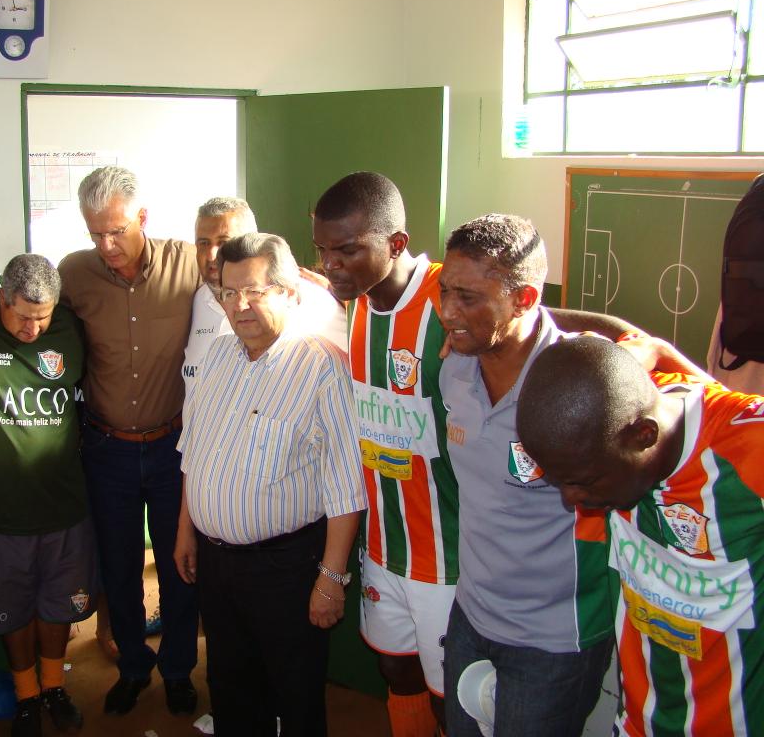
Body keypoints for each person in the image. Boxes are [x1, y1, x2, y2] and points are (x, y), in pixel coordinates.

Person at [517, 335, 764, 737]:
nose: (571, 500)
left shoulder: (747, 449)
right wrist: (646, 347)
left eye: (584, 482)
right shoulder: (613, 417)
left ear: (644, 437)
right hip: (636, 722)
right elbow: (629, 347)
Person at [174, 232, 365, 737]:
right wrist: (185, 531)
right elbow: (194, 452)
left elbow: (347, 488)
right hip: (216, 566)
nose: (240, 306)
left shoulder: (321, 368)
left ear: (289, 292)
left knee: (297, 696)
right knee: (231, 691)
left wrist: (331, 578)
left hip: (286, 571)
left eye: (255, 291)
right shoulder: (216, 357)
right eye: (229, 293)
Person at [436, 215, 614, 737]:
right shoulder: (456, 368)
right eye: (446, 291)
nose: (448, 312)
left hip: (553, 639)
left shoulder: (580, 385)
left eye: (468, 297)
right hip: (471, 618)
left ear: (526, 297)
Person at [311, 172, 458, 736]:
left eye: (347, 250)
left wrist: (655, 349)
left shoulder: (450, 298)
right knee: (395, 670)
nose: (331, 264)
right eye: (324, 250)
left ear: (396, 244)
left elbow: (543, 324)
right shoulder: (351, 304)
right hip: (384, 548)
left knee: (454, 695)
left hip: (451, 560)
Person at [58, 166, 200, 716]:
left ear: (143, 217)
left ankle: (181, 669)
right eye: (95, 233)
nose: (106, 244)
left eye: (116, 230)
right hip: (106, 447)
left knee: (179, 564)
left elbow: (260, 274)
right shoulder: (74, 273)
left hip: (174, 449)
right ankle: (134, 667)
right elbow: (19, 315)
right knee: (117, 566)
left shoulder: (189, 263)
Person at [0, 254, 97, 736]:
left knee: (59, 605)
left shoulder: (71, 328)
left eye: (43, 317)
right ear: (1, 299)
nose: (33, 329)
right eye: (22, 317)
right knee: (11, 608)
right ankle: (26, 694)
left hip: (63, 505)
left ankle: (55, 685)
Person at [182, 196, 347, 395]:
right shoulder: (197, 300)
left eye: (224, 242)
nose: (211, 255)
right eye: (203, 243)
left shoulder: (310, 300)